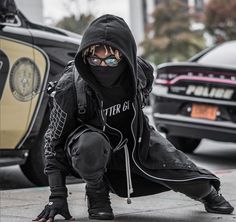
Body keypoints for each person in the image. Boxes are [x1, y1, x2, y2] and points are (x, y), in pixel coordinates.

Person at [33, 14, 234, 221]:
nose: (102, 65)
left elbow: (144, 95)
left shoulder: (141, 72)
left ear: (124, 56)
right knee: (90, 144)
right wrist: (56, 196)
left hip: (136, 141)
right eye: (94, 59)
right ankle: (97, 193)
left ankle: (207, 194)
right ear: (85, 57)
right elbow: (52, 142)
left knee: (196, 182)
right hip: (90, 148)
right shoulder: (70, 87)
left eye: (111, 59)